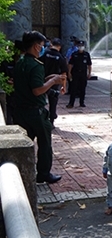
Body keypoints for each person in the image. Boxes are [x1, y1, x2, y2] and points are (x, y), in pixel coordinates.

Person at [13, 31, 66, 183]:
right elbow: (37, 90)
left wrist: (50, 79)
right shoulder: (36, 65)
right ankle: (43, 174)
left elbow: (31, 84)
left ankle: (22, 173)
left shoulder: (21, 62)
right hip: (36, 113)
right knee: (44, 145)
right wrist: (52, 81)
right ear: (36, 47)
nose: (43, 49)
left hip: (21, 111)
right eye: (42, 46)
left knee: (25, 144)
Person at [39, 38, 68, 128]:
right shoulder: (60, 57)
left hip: (43, 81)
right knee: (53, 103)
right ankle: (51, 121)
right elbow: (64, 74)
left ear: (51, 44)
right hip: (55, 83)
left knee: (41, 101)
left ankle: (41, 119)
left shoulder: (45, 54)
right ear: (60, 47)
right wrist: (64, 86)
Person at [66, 40, 92, 108]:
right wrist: (69, 72)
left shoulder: (86, 55)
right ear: (77, 46)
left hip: (83, 73)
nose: (81, 47)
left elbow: (89, 65)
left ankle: (82, 102)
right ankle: (71, 103)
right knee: (73, 89)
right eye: (79, 46)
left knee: (82, 88)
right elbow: (70, 64)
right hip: (75, 73)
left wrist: (89, 73)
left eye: (82, 46)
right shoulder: (74, 54)